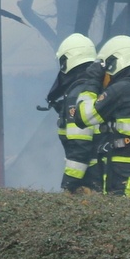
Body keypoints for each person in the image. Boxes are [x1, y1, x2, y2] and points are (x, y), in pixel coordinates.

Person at [72, 35, 130, 197]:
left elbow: (82, 117)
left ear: (114, 64)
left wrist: (92, 81)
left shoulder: (121, 90)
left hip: (124, 175)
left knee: (126, 213)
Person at [46, 34, 106, 194]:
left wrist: (68, 184)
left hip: (89, 181)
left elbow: (80, 146)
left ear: (67, 60)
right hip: (104, 175)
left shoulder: (77, 94)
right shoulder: (98, 88)